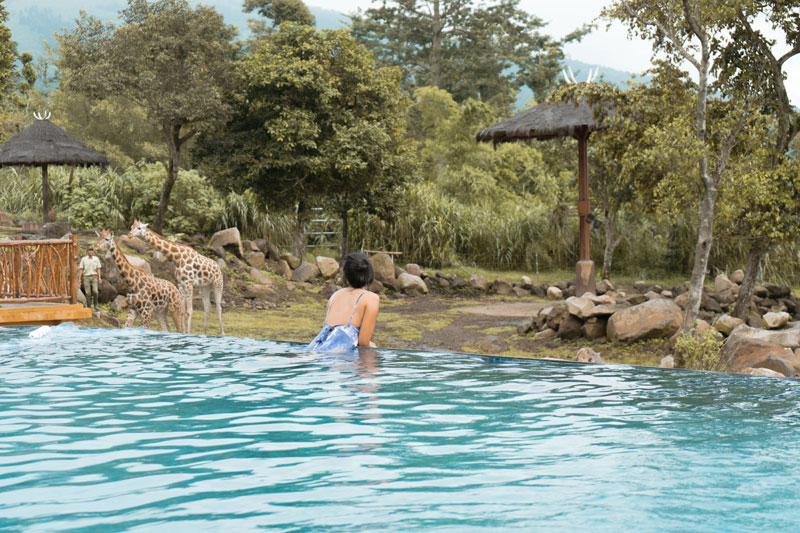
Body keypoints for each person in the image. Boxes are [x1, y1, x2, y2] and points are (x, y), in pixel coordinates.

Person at [308, 252, 380, 352]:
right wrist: (370, 344)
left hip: (316, 347)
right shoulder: (371, 298)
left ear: (346, 274)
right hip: (338, 355)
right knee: (372, 363)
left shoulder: (335, 295)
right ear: (369, 274)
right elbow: (363, 342)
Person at [79, 246, 102, 311]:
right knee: (88, 292)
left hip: (94, 276)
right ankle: (88, 306)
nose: (90, 251)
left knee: (95, 291)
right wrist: (79, 279)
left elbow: (98, 268)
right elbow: (81, 269)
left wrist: (99, 277)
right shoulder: (84, 259)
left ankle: (95, 305)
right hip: (86, 276)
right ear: (87, 251)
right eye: (89, 250)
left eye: (91, 250)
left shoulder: (96, 259)